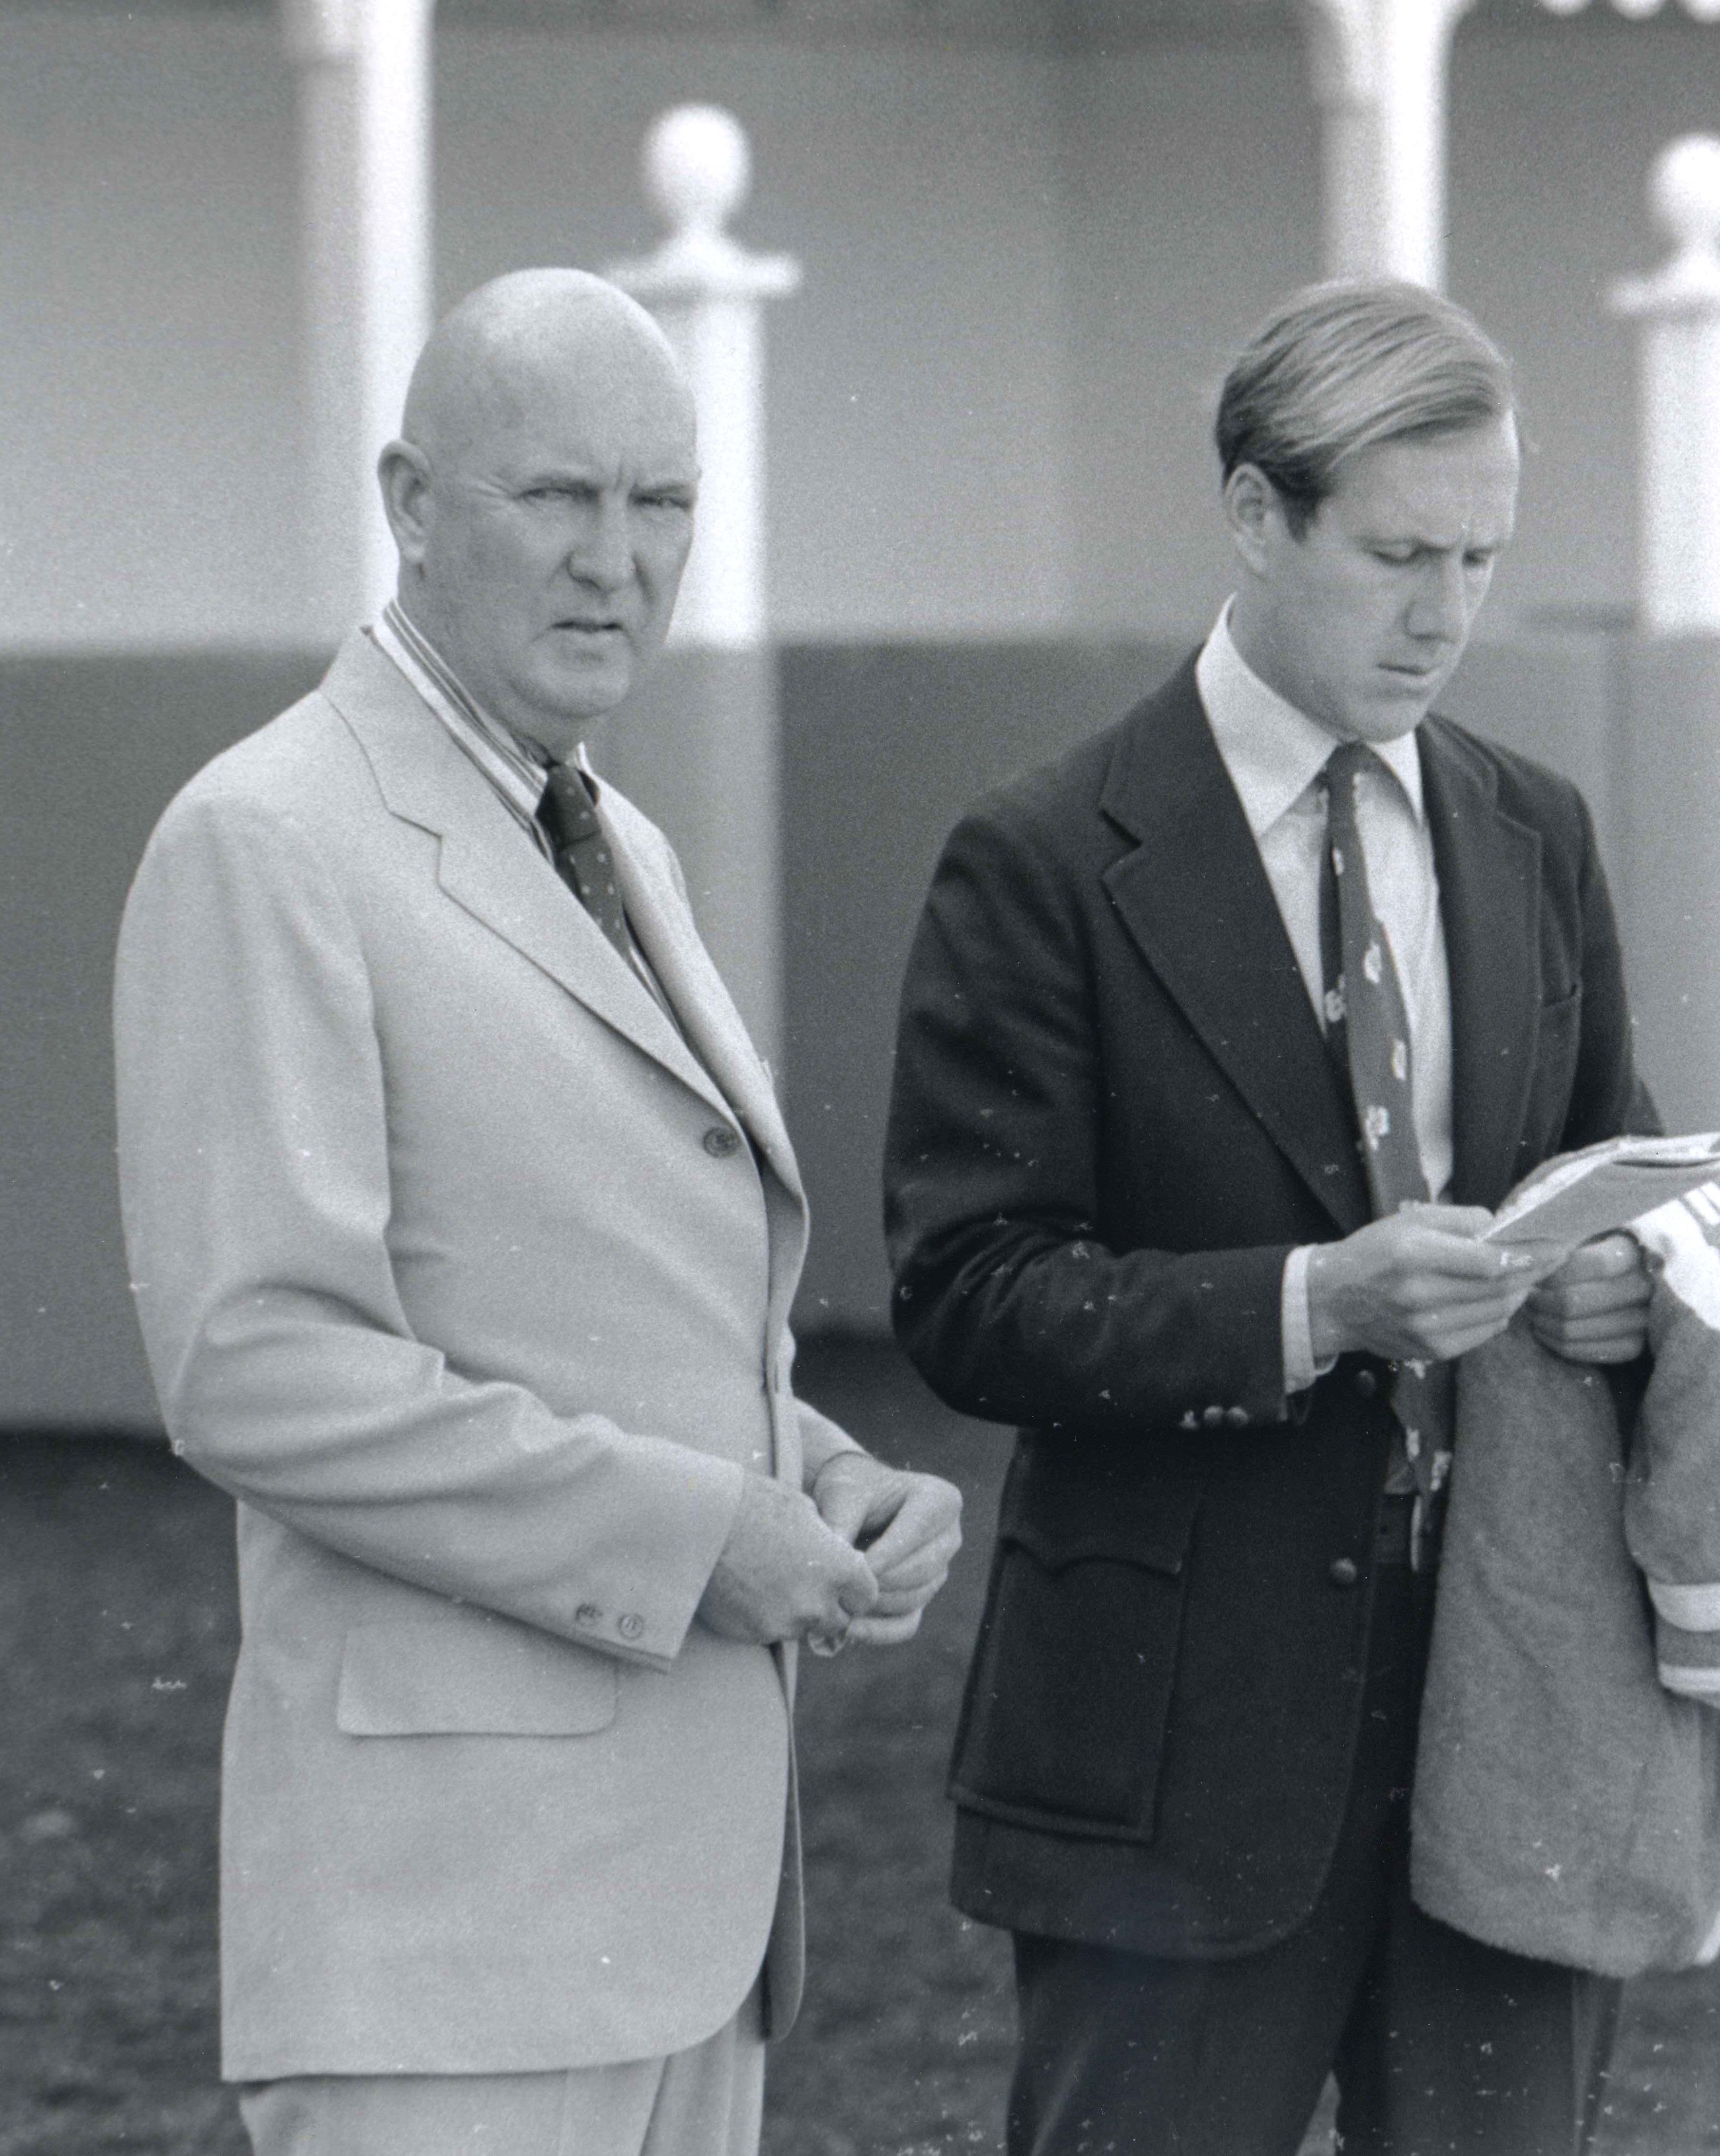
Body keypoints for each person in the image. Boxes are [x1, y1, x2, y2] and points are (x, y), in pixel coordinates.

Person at [114, 268, 962, 2156]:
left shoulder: (612, 832)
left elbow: (592, 1296)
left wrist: (810, 1469)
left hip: (693, 1927)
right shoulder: (265, 838)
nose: (617, 560)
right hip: (458, 1945)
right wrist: (697, 1535)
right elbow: (256, 1369)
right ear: (413, 504)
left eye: (661, 504)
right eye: (556, 500)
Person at [884, 279, 1658, 2156]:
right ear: (1252, 515)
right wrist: (1311, 1303)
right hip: (1170, 1757)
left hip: (1509, 1724)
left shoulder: (1533, 828)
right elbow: (968, 1295)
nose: (1446, 611)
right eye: (1397, 553)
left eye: (1480, 555)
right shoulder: (1045, 855)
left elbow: (1611, 1158)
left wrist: (1632, 1286)